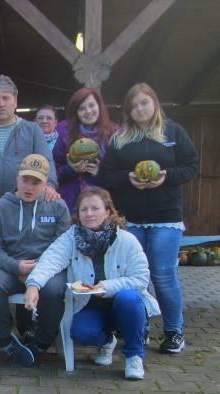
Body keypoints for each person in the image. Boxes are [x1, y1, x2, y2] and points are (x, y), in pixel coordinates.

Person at [99, 83, 199, 354]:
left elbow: (191, 166)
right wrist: (128, 179)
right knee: (132, 277)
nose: (139, 109)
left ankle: (173, 332)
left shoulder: (173, 132)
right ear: (128, 111)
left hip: (166, 217)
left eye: (144, 103)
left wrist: (167, 176)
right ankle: (137, 329)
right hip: (130, 219)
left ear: (154, 103)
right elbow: (106, 175)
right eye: (134, 106)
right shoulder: (120, 139)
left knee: (164, 276)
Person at [25, 187, 160, 380]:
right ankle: (106, 341)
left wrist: (105, 287)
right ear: (78, 214)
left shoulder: (126, 240)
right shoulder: (71, 237)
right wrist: (33, 285)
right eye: (84, 209)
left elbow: (140, 279)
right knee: (81, 332)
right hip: (90, 304)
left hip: (123, 304)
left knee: (129, 299)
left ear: (108, 211)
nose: (89, 214)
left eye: (95, 208)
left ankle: (134, 356)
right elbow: (50, 260)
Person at [0, 154, 70, 367]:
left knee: (55, 290)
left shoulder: (58, 207)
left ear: (46, 182)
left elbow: (63, 248)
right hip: (12, 268)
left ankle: (40, 344)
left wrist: (40, 271)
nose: (29, 187)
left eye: (36, 182)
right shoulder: (1, 207)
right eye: (25, 180)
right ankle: (4, 341)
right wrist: (15, 266)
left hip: (47, 270)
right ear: (17, 179)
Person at [0, 75, 59, 216]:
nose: (1, 104)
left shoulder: (32, 130)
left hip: (24, 210)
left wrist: (49, 185)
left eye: (6, 98)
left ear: (15, 101)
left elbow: (46, 161)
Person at [53, 88, 115, 211]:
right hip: (71, 203)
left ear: (99, 106)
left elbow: (118, 175)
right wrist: (71, 169)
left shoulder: (114, 133)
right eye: (81, 108)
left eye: (91, 105)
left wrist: (100, 173)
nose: (88, 111)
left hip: (102, 204)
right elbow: (52, 171)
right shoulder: (64, 131)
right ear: (76, 112)